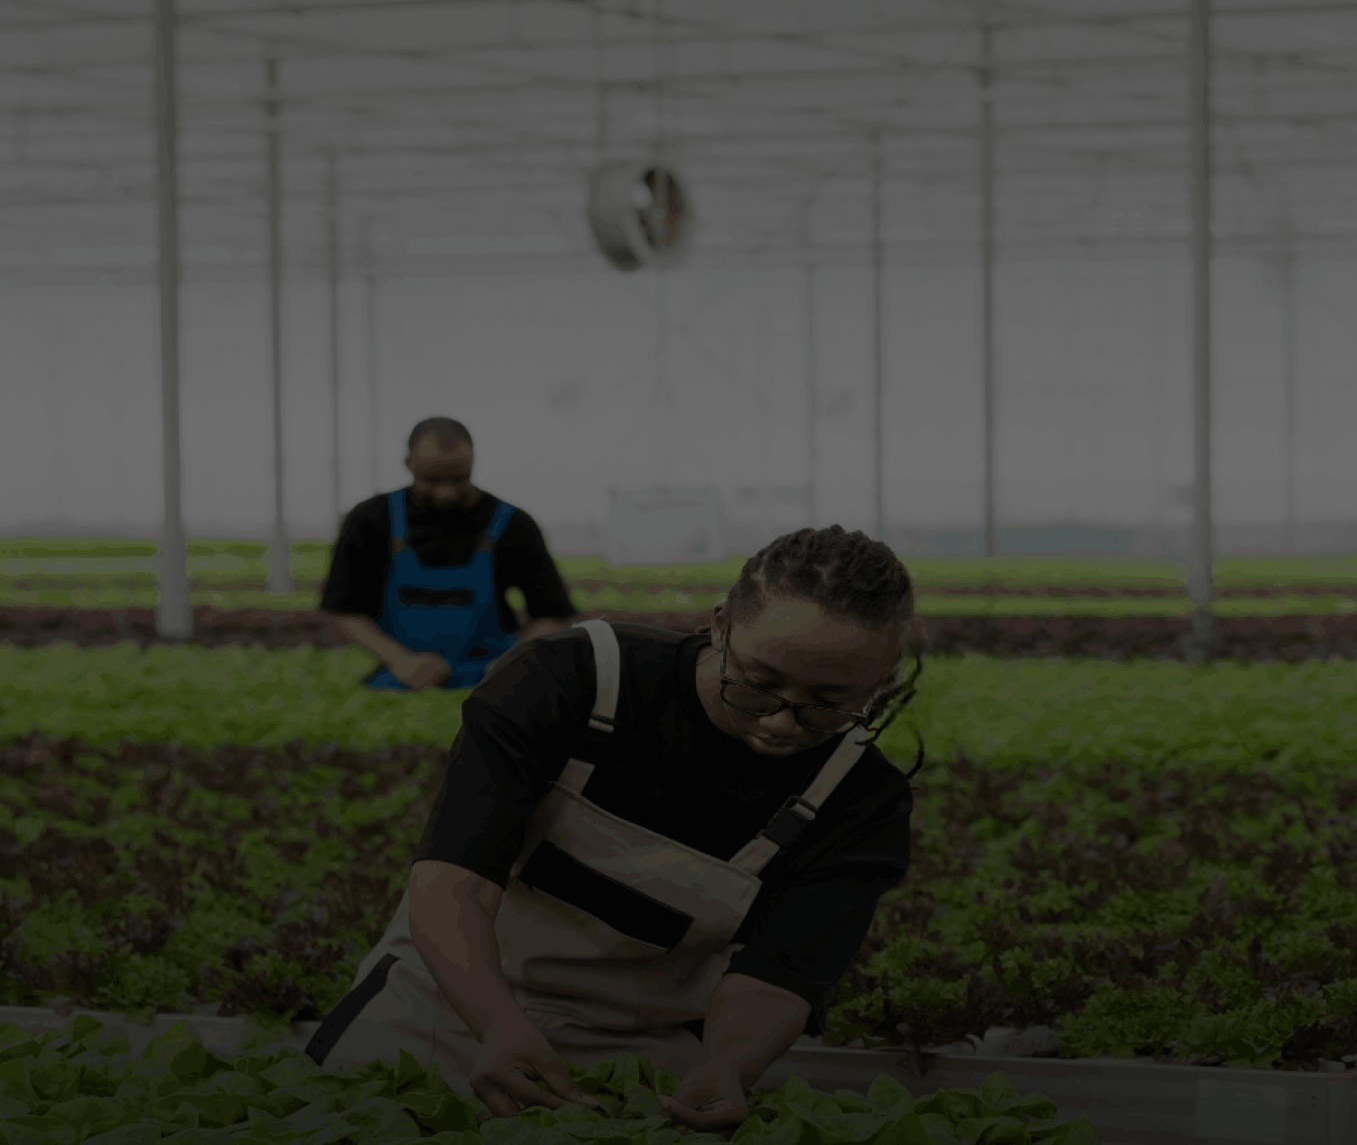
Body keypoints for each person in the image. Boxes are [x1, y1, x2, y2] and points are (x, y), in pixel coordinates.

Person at [304, 526, 924, 1134]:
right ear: (720, 624)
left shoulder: (858, 798)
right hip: (445, 1005)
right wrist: (497, 1024)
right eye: (759, 682)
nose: (782, 722)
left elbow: (777, 974)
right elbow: (454, 879)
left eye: (828, 703)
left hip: (640, 1053)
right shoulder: (571, 678)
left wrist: (728, 1066)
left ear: (885, 676)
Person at [320, 418, 582, 691]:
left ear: (473, 463)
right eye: (431, 480)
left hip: (493, 680)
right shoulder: (371, 520)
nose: (446, 493)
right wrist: (401, 660)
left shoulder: (513, 525)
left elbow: (553, 615)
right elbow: (341, 611)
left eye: (458, 479)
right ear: (408, 463)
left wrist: (510, 664)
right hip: (398, 677)